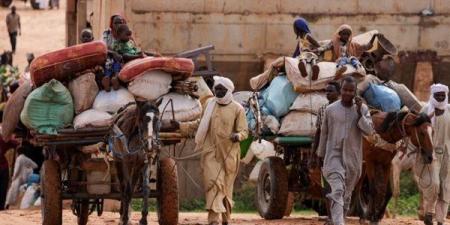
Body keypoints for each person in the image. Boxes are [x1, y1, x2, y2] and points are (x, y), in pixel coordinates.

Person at [177, 76, 248, 225]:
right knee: (213, 183)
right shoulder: (210, 104)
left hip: (229, 155)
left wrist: (238, 136)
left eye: (221, 90)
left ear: (228, 91)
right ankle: (213, 220)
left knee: (226, 188)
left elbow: (244, 131)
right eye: (216, 90)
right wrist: (180, 126)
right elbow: (199, 123)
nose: (218, 92)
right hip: (210, 153)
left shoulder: (237, 109)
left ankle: (226, 218)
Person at [317, 76, 374, 225]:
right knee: (337, 190)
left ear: (355, 92)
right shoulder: (330, 110)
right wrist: (320, 154)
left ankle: (340, 218)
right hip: (332, 156)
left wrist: (361, 113)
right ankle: (339, 223)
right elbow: (324, 133)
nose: (347, 93)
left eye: (351, 90)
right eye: (345, 89)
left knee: (346, 194)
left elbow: (369, 131)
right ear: (340, 90)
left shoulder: (362, 109)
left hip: (353, 158)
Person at [419, 84, 450, 225]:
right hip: (431, 153)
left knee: (446, 187)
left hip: (447, 154)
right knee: (434, 184)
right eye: (437, 95)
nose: (440, 97)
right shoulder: (426, 109)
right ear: (433, 95)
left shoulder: (449, 110)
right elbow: (418, 130)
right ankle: (429, 212)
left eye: (442, 95)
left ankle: (440, 220)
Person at [0, 135, 19, 210]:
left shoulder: (2, 139)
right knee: (3, 189)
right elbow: (15, 144)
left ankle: (1, 207)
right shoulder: (2, 139)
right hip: (3, 168)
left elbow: (15, 144)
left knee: (3, 189)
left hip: (3, 168)